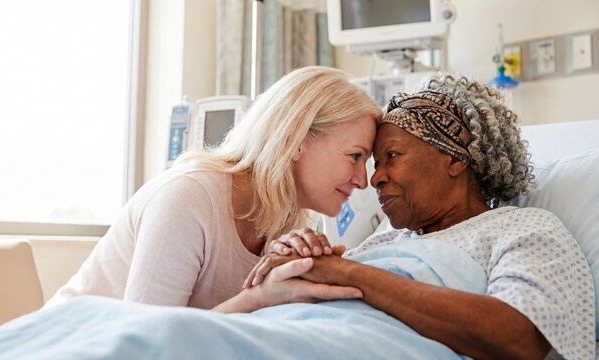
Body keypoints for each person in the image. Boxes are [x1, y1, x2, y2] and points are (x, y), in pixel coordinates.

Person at [243, 73, 596, 359]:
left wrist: (346, 272)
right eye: (374, 163)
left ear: (455, 158)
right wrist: (297, 258)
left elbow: (521, 339)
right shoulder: (383, 240)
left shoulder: (524, 228)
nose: (374, 178)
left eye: (391, 156)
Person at [45, 66, 382, 310]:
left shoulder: (293, 225)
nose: (361, 180)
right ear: (296, 140)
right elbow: (147, 341)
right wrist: (257, 299)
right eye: (355, 156)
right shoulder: (188, 198)